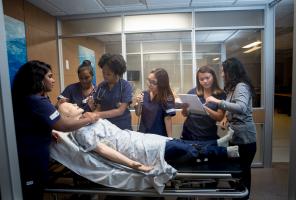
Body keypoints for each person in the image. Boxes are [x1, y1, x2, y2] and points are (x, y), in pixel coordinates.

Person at [58, 102, 239, 173]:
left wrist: (93, 115)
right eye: (70, 106)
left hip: (135, 138)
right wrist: (134, 164)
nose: (75, 103)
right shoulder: (81, 132)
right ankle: (224, 152)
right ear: (68, 116)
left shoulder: (89, 118)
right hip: (133, 149)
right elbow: (103, 151)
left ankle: (217, 142)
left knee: (176, 142)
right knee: (179, 148)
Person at [11, 60, 99, 200]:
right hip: (31, 158)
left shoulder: (34, 99)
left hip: (33, 151)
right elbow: (64, 125)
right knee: (32, 194)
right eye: (50, 76)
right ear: (39, 79)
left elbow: (36, 122)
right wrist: (89, 119)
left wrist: (49, 131)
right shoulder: (37, 101)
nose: (53, 80)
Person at [206, 57, 256, 200]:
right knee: (236, 171)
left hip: (246, 139)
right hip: (236, 136)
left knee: (243, 172)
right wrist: (226, 118)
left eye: (223, 71)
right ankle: (237, 195)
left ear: (231, 71)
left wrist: (217, 101)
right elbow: (233, 108)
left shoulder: (241, 86)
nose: (222, 74)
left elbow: (241, 107)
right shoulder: (233, 88)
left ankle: (242, 197)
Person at [181, 65, 226, 141]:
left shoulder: (221, 94)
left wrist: (205, 109)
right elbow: (184, 114)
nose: (205, 81)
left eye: (207, 78)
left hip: (208, 135)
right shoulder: (192, 92)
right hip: (189, 134)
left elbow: (219, 117)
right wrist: (184, 107)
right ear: (198, 80)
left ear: (213, 77)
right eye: (201, 79)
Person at [92, 53, 133, 130]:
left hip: (122, 127)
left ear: (117, 73)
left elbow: (120, 111)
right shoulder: (101, 86)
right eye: (103, 72)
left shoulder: (125, 86)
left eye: (108, 74)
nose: (105, 76)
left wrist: (97, 114)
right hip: (105, 126)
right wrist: (92, 115)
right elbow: (98, 107)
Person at [134, 68, 176, 137]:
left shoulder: (167, 97)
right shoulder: (144, 94)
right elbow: (138, 113)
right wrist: (138, 103)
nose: (150, 84)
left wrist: (170, 139)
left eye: (154, 82)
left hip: (159, 136)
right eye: (149, 81)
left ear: (162, 83)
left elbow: (168, 119)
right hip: (143, 134)